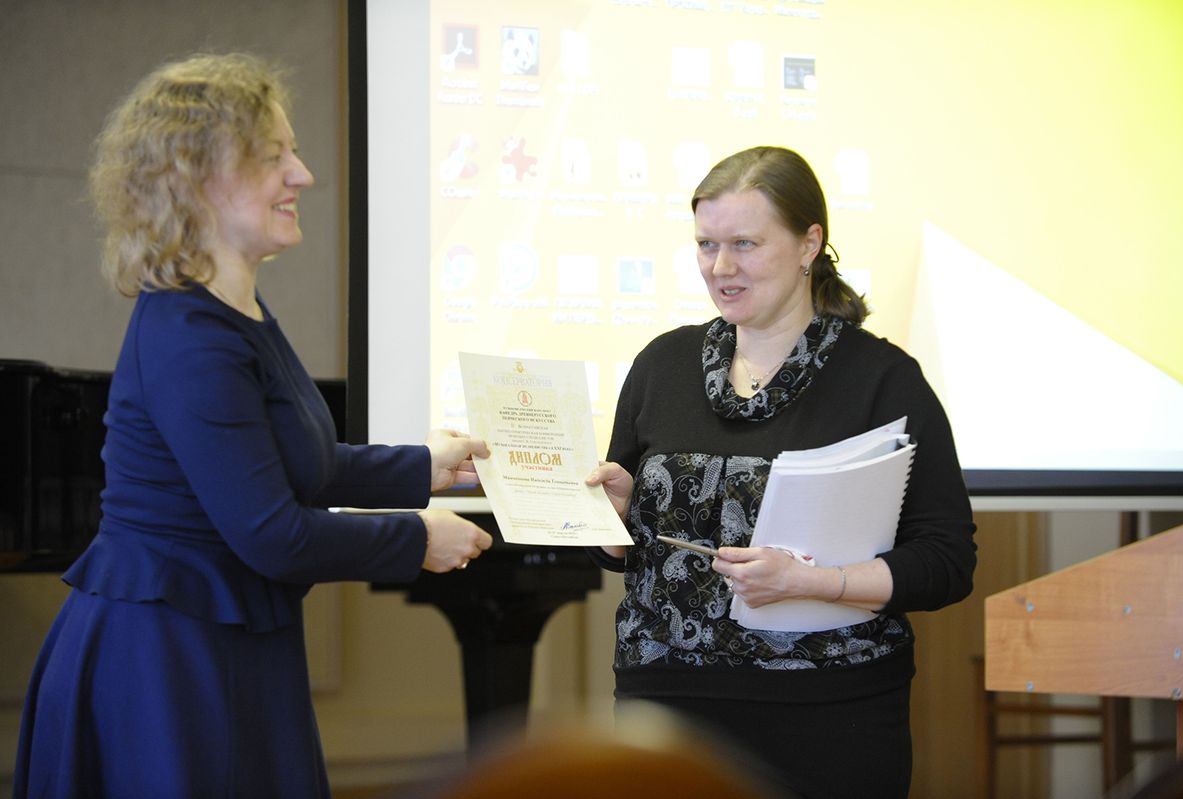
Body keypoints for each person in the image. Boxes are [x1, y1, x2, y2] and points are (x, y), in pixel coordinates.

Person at [13, 52, 493, 798]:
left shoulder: (236, 310)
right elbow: (273, 533)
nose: (302, 174)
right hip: (165, 663)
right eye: (273, 157)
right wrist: (417, 538)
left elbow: (294, 461)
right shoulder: (190, 334)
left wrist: (421, 467)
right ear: (196, 178)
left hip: (217, 640)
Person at [585, 145, 977, 799]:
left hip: (830, 717)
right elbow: (624, 557)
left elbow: (946, 561)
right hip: (666, 708)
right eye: (707, 244)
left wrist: (813, 582)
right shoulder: (661, 365)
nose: (721, 267)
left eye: (745, 243)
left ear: (808, 244)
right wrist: (618, 517)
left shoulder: (882, 379)